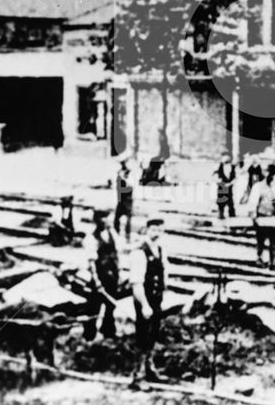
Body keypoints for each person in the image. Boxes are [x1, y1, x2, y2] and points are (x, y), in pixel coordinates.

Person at [130, 218, 167, 386]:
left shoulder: (159, 249)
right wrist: (144, 305)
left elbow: (163, 272)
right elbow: (136, 283)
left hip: (156, 299)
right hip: (144, 299)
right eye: (153, 229)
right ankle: (137, 376)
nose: (157, 233)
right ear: (147, 230)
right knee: (142, 336)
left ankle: (149, 368)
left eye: (160, 230)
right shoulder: (140, 251)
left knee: (153, 335)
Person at [85, 208, 121, 340]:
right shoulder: (91, 237)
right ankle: (89, 335)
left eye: (107, 217)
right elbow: (91, 262)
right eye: (102, 217)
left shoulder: (112, 233)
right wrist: (96, 281)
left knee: (111, 306)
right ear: (96, 220)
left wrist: (120, 271)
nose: (106, 220)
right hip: (100, 277)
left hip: (113, 276)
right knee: (94, 306)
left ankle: (108, 331)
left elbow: (117, 253)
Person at [250, 164, 275, 269]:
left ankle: (273, 262)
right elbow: (253, 201)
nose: (270, 176)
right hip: (261, 216)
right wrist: (253, 215)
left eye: (272, 173)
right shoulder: (258, 186)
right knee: (261, 240)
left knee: (273, 241)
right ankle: (259, 259)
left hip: (272, 217)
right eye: (268, 173)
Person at [114, 155, 135, 242]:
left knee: (128, 220)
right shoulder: (120, 173)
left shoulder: (129, 174)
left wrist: (123, 179)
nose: (123, 165)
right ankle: (116, 234)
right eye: (122, 163)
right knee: (117, 219)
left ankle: (128, 237)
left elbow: (130, 186)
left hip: (127, 199)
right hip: (121, 199)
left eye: (123, 163)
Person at [214, 152, 237, 219]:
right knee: (221, 201)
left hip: (229, 186)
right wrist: (218, 181)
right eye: (224, 158)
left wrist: (230, 184)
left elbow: (235, 177)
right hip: (221, 186)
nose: (226, 159)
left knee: (230, 201)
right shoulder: (218, 166)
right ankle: (221, 214)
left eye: (228, 158)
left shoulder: (233, 167)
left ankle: (232, 215)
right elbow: (214, 176)